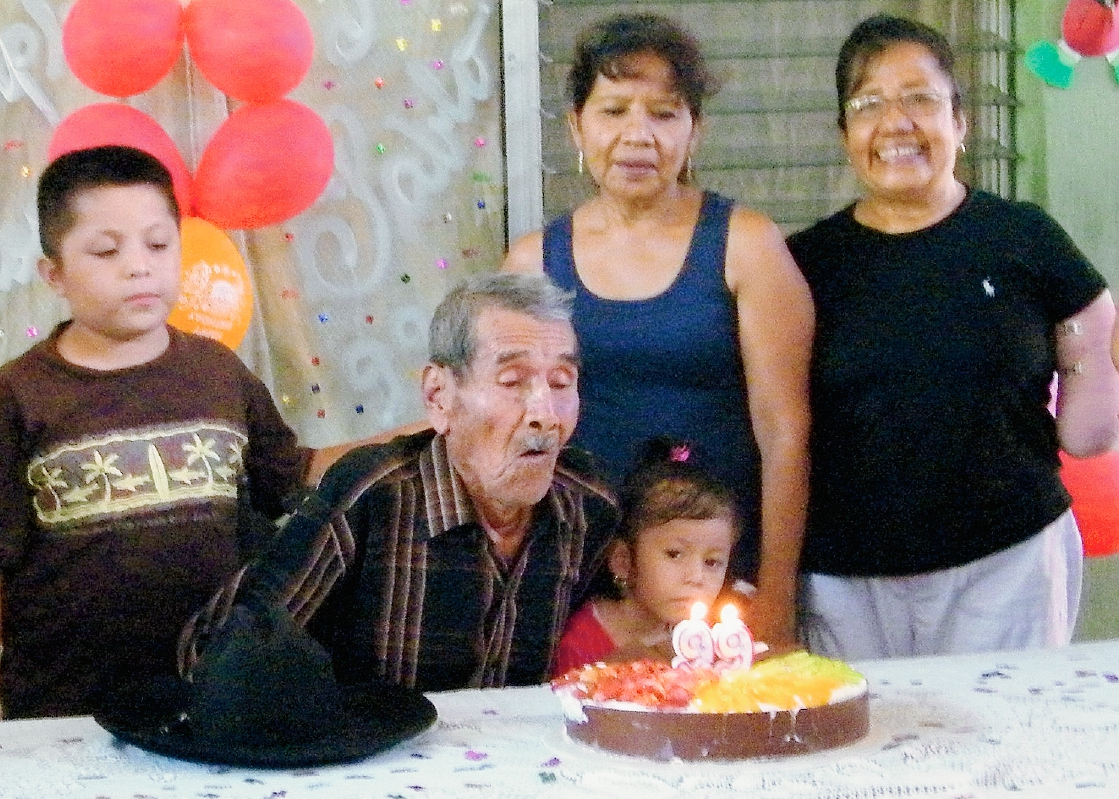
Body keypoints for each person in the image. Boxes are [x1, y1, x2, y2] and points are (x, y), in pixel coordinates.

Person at [787, 15, 1119, 660]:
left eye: (920, 99)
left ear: (960, 122)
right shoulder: (802, 266)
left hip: (1009, 564)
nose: (896, 123)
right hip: (842, 582)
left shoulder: (1025, 238)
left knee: (1009, 751)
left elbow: (1089, 430)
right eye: (868, 104)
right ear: (844, 133)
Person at [0, 146, 307, 720]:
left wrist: (428, 429)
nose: (139, 266)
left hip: (209, 702)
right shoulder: (17, 397)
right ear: (54, 273)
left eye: (159, 244)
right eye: (106, 250)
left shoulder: (218, 372)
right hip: (62, 713)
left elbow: (296, 478)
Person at [504, 13, 814, 648]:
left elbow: (785, 436)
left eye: (664, 113)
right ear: (576, 127)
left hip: (718, 583)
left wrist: (777, 601)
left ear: (694, 129)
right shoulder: (531, 262)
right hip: (577, 584)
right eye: (614, 110)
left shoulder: (746, 245)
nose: (637, 135)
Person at [178, 272, 619, 691]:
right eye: (511, 381)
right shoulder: (372, 496)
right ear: (439, 396)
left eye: (562, 382)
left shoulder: (589, 507)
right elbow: (215, 654)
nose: (545, 415)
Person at [553, 437, 736, 676]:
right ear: (623, 561)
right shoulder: (580, 645)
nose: (696, 577)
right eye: (674, 554)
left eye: (711, 562)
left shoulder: (716, 641)